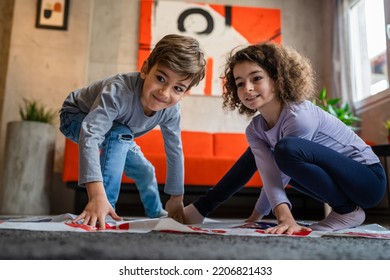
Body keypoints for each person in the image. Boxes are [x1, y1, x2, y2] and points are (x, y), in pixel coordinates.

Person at [183, 42, 386, 234]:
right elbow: (270, 174)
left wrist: (284, 217)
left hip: (367, 181)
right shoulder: (255, 129)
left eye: (256, 78)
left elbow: (280, 172)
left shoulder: (299, 116)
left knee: (285, 149)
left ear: (277, 78)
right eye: (240, 83)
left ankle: (346, 211)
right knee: (266, 153)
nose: (248, 88)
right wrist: (255, 217)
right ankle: (201, 209)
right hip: (340, 186)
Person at [59, 34, 206, 229]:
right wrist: (96, 195)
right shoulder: (119, 91)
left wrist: (176, 199)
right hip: (76, 116)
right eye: (161, 78)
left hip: (120, 133)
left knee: (145, 170)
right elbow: (91, 133)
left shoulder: (171, 110)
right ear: (145, 69)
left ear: (185, 92)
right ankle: (104, 209)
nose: (164, 93)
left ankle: (157, 213)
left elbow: (174, 150)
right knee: (119, 134)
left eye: (177, 88)